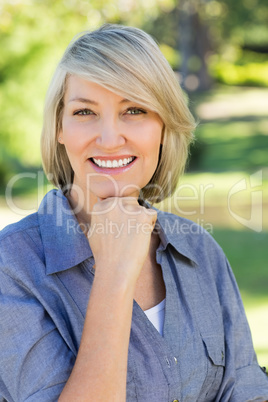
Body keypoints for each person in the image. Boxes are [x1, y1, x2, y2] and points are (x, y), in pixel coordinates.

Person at [0, 24, 267, 402]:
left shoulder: (201, 253)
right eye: (84, 111)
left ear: (163, 125)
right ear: (60, 127)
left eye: (134, 110)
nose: (109, 139)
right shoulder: (11, 267)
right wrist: (113, 275)